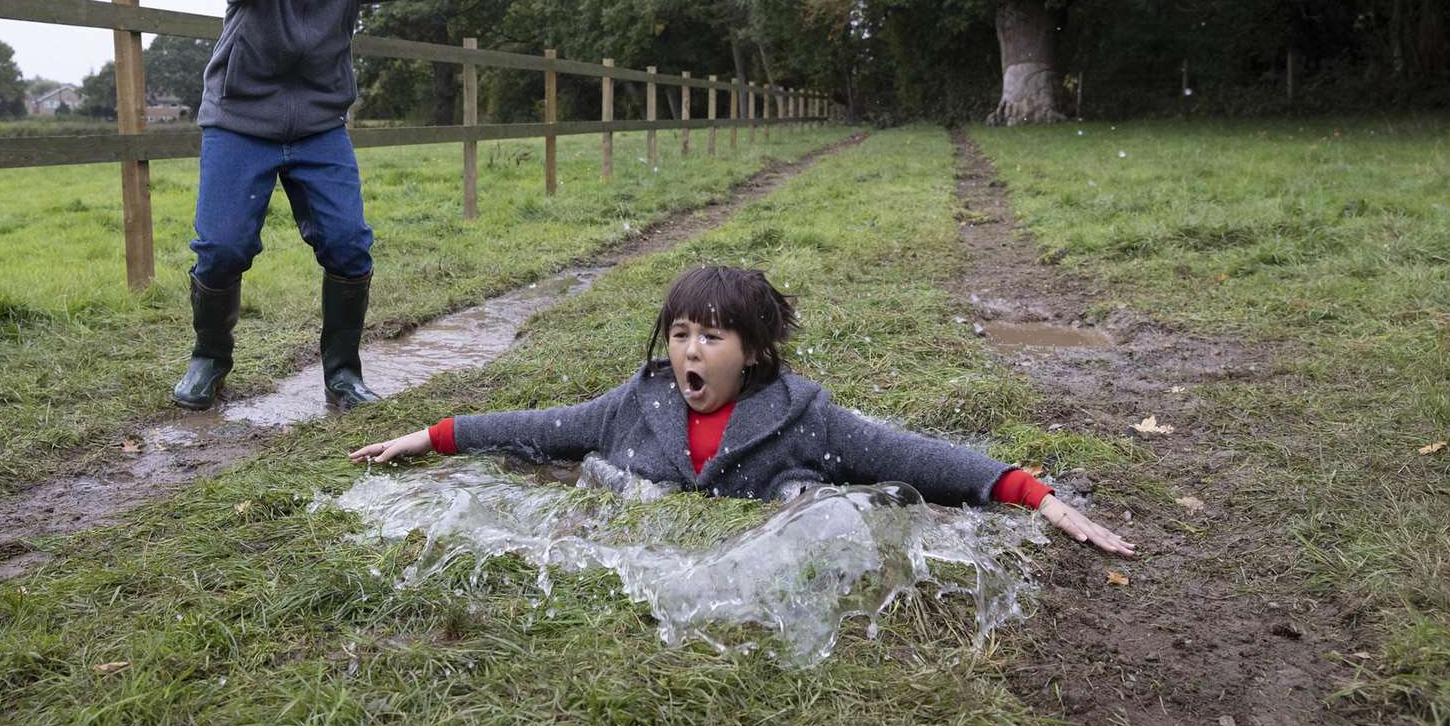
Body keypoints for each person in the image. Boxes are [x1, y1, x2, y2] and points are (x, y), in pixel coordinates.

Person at [350, 265, 1135, 555]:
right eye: (682, 334)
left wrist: (1031, 492)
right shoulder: (638, 401)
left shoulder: (805, 418)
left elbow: (909, 458)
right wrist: (432, 436)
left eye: (712, 337)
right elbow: (539, 428)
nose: (691, 351)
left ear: (752, 352)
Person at [173, 0, 453, 411]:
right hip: (240, 120)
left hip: (320, 126)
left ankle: (343, 373)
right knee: (222, 248)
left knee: (349, 244)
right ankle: (209, 359)